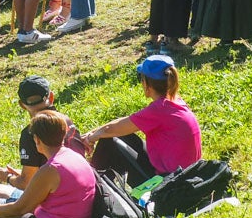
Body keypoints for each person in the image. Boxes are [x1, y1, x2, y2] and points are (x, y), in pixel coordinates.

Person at [84, 54, 202, 188]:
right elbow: (121, 126)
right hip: (186, 175)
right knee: (116, 134)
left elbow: (109, 130)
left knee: (109, 142)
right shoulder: (174, 101)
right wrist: (92, 134)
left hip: (169, 184)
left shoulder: (159, 109)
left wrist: (92, 137)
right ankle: (97, 185)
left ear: (146, 84)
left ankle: (89, 189)